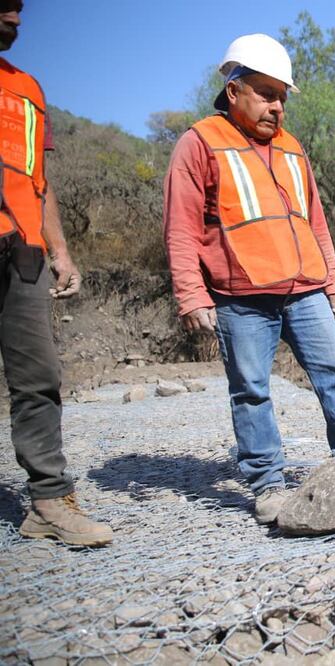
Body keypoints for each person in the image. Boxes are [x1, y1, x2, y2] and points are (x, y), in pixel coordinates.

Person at [163, 34, 335, 524]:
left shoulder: (293, 149)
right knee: (252, 389)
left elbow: (314, 220)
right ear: (233, 90)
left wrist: (333, 279)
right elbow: (180, 227)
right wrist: (192, 294)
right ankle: (267, 483)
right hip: (241, 298)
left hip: (306, 291)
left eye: (282, 95)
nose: (277, 106)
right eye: (265, 93)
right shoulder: (200, 143)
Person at [0, 1, 112, 546]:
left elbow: (38, 179)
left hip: (22, 253)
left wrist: (60, 250)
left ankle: (48, 501)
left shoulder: (28, 89)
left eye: (19, 8)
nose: (17, 18)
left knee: (39, 378)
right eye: (5, 7)